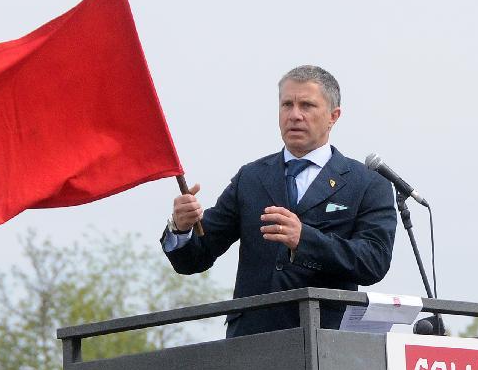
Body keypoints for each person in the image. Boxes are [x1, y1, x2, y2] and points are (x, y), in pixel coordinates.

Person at [161, 65, 397, 337]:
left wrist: (304, 240)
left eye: (307, 105)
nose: (295, 115)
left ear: (334, 116)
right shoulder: (251, 177)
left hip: (326, 342)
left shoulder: (367, 183)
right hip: (252, 342)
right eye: (287, 105)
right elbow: (196, 258)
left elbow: (373, 261)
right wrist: (182, 227)